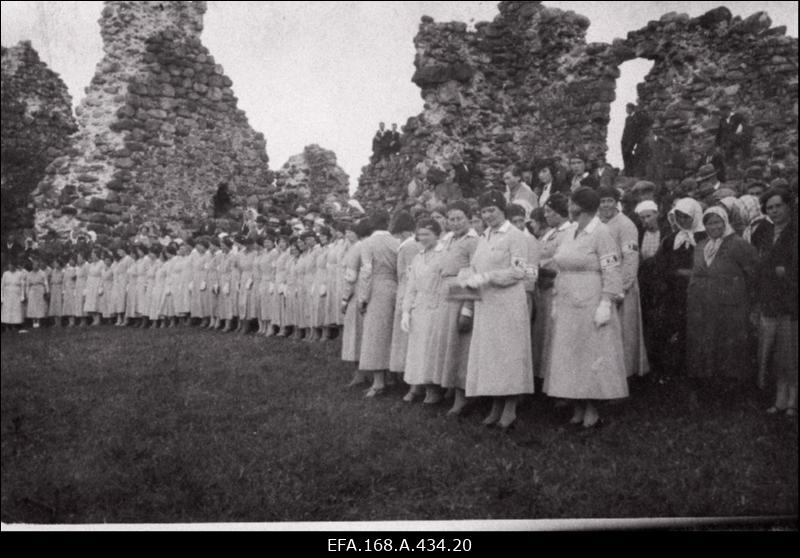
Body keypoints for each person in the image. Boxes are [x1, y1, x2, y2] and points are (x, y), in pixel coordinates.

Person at [545, 187, 628, 428]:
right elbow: (559, 262)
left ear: (578, 207)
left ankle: (592, 408)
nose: (568, 208)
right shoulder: (570, 231)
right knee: (570, 354)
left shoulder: (601, 233)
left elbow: (612, 269)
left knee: (590, 352)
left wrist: (606, 301)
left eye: (571, 204)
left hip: (591, 298)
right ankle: (577, 406)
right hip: (568, 297)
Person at [461, 190, 533, 430]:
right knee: (490, 356)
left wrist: (487, 277)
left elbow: (518, 272)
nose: (488, 215)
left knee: (507, 355)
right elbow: (475, 265)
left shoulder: (515, 236)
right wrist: (468, 280)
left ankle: (510, 408)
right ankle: (495, 405)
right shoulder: (485, 236)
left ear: (503, 209)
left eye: (492, 210)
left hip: (508, 303)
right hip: (487, 305)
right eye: (484, 211)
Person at [686, 206, 758, 382]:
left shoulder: (738, 244)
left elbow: (754, 273)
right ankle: (709, 380)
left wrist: (751, 301)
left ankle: (731, 384)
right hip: (703, 306)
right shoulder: (702, 246)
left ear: (725, 222)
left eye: (717, 222)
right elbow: (696, 273)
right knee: (707, 342)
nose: (714, 227)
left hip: (731, 306)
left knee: (729, 345)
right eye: (709, 224)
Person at [428, 201, 480, 415]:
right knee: (446, 342)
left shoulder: (473, 241)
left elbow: (474, 273)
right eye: (451, 219)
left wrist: (467, 308)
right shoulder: (449, 239)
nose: (455, 223)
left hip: (461, 290)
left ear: (469, 218)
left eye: (460, 218)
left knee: (459, 344)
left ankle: (462, 396)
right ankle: (447, 388)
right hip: (445, 290)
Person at [750, 188, 797, 416]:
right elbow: (758, 262)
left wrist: (786, 272)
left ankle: (793, 400)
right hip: (769, 298)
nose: (775, 211)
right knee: (776, 352)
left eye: (778, 206)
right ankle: (779, 398)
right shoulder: (763, 231)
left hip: (792, 301)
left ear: (789, 205)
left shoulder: (795, 230)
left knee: (791, 351)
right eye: (770, 208)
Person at [598, 186, 649, 378]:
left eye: (609, 201)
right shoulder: (599, 223)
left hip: (622, 286)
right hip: (604, 284)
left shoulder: (626, 225)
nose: (606, 205)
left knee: (624, 333)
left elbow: (631, 258)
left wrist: (622, 287)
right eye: (602, 201)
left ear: (616, 202)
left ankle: (626, 375)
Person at [653, 198, 707, 377]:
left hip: (699, 293)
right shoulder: (671, 239)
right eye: (679, 216)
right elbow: (660, 265)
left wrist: (692, 274)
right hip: (675, 293)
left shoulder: (705, 237)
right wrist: (676, 273)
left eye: (686, 217)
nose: (682, 221)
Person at [401, 219, 444, 404]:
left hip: (436, 306)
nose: (423, 238)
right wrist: (406, 311)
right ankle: (415, 385)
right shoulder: (418, 256)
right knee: (417, 350)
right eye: (420, 234)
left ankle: (432, 389)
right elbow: (411, 287)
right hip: (419, 306)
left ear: (437, 234)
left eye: (427, 234)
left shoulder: (444, 254)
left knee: (430, 349)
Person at [358, 210, 400, 398]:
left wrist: (362, 298)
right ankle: (392, 376)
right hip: (395, 287)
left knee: (375, 334)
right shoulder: (396, 242)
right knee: (391, 331)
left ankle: (379, 381)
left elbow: (367, 271)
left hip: (376, 288)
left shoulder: (368, 243)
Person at [533, 194, 574, 386]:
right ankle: (543, 377)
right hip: (543, 285)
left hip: (556, 284)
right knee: (544, 332)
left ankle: (557, 380)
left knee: (555, 333)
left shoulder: (569, 231)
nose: (546, 215)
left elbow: (562, 259)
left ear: (560, 212)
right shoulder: (550, 232)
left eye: (550, 211)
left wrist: (545, 271)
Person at [388, 211, 421, 382]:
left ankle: (409, 378)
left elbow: (409, 275)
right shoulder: (409, 246)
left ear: (406, 232)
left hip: (406, 291)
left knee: (406, 338)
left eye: (400, 234)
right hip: (403, 290)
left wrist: (404, 299)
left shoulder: (409, 247)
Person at [341, 219, 371, 386]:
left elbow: (351, 277)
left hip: (357, 292)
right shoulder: (358, 247)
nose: (348, 234)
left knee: (355, 333)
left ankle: (359, 374)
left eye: (351, 231)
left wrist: (345, 299)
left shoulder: (358, 248)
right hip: (365, 291)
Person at [621, 103, 653, 176]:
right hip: (626, 140)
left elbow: (648, 122)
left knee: (632, 155)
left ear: (631, 109)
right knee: (626, 155)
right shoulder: (628, 118)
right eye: (626, 109)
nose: (626, 110)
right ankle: (628, 172)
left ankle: (632, 172)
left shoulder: (637, 116)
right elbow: (626, 130)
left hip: (634, 140)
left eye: (627, 108)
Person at [1, 260, 27, 332]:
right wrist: (1, 297)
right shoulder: (5, 274)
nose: (10, 266)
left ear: (15, 266)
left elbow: (22, 285)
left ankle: (16, 326)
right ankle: (7, 326)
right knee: (7, 309)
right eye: (9, 265)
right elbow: (2, 286)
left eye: (12, 265)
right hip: (7, 294)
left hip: (16, 294)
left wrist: (22, 296)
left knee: (16, 309)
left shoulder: (19, 274)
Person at [25, 258, 49, 329]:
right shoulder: (29, 274)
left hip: (40, 289)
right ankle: (34, 322)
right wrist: (27, 294)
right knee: (32, 306)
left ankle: (39, 321)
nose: (34, 266)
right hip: (32, 290)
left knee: (39, 306)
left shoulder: (42, 273)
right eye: (33, 265)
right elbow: (27, 285)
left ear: (38, 265)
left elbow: (46, 283)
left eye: (36, 265)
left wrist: (47, 291)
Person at [62, 254, 78, 327]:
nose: (71, 261)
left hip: (74, 288)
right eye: (70, 260)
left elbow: (76, 278)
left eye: (72, 260)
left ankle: (74, 321)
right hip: (67, 288)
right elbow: (64, 280)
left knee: (74, 304)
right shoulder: (66, 269)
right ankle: (70, 321)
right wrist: (64, 290)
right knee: (68, 304)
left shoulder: (77, 269)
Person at [48, 256, 64, 327]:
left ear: (59, 264)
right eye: (54, 263)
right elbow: (51, 280)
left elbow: (63, 281)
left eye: (56, 263)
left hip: (59, 288)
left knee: (59, 304)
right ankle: (55, 322)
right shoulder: (53, 271)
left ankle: (59, 322)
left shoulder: (63, 271)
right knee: (53, 304)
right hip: (54, 288)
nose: (54, 265)